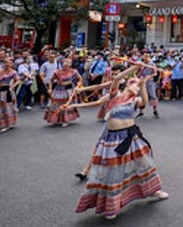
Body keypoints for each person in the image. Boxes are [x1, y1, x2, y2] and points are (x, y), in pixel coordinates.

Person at [71, 64, 168, 220]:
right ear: (127, 84)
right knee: (113, 171)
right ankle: (112, 206)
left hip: (131, 137)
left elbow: (145, 101)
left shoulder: (135, 99)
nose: (135, 84)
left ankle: (153, 190)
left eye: (137, 84)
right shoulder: (114, 95)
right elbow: (116, 78)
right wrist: (135, 67)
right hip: (112, 139)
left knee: (144, 165)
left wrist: (143, 85)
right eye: (134, 83)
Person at [44, 57, 82, 127]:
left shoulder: (73, 71)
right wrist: (50, 88)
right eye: (64, 64)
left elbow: (80, 78)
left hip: (69, 89)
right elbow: (51, 80)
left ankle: (66, 119)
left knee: (66, 104)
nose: (66, 66)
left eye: (67, 64)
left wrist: (78, 85)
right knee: (55, 104)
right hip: (59, 89)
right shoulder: (57, 72)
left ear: (70, 65)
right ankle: (54, 118)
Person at [0, 58, 20, 132]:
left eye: (8, 62)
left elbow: (18, 80)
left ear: (12, 64)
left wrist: (12, 87)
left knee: (6, 108)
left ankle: (7, 124)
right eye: (5, 62)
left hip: (6, 91)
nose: (6, 64)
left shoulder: (13, 72)